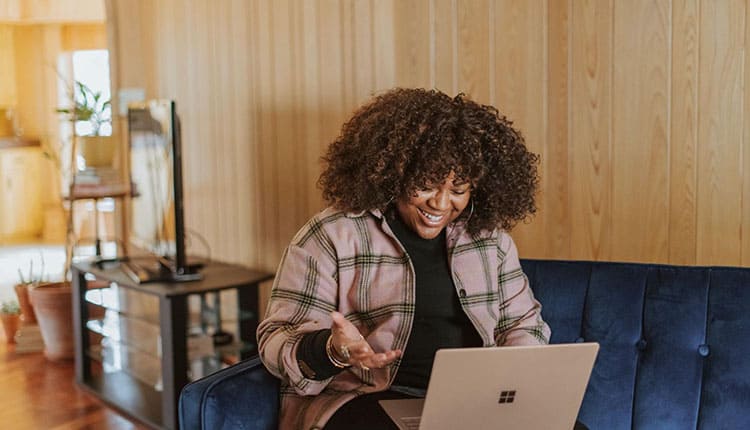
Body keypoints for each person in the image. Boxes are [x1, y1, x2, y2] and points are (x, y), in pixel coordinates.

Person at [257, 88, 551, 430]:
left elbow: (523, 324)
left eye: (458, 190)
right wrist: (332, 350)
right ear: (395, 174)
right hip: (364, 398)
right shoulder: (332, 234)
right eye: (426, 185)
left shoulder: (490, 240)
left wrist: (511, 382)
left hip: (469, 402)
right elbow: (276, 337)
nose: (440, 205)